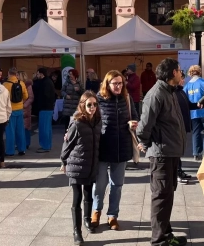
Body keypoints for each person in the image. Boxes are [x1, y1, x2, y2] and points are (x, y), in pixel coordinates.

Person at [137, 58, 188, 246]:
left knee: (167, 194)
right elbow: (144, 125)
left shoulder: (170, 91)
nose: (181, 74)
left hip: (171, 152)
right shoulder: (156, 93)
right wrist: (144, 142)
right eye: (179, 70)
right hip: (161, 153)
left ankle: (166, 234)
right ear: (173, 72)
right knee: (160, 196)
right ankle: (158, 241)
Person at [92, 70, 138, 231]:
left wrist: (134, 123)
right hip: (103, 148)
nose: (118, 86)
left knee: (117, 185)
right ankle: (96, 211)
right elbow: (85, 116)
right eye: (115, 83)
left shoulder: (126, 98)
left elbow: (135, 116)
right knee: (100, 184)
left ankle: (113, 215)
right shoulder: (98, 100)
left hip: (122, 147)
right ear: (107, 84)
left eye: (120, 83)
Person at [61, 91, 102, 245]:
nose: (92, 107)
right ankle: (76, 232)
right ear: (83, 105)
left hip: (91, 165)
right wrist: (63, 161)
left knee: (88, 195)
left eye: (95, 104)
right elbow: (68, 144)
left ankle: (87, 220)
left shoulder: (98, 121)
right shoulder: (77, 122)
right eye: (89, 104)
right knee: (77, 198)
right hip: (76, 166)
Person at [184, 65, 204, 161]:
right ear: (199, 72)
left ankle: (196, 153)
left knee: (196, 132)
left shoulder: (187, 86)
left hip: (193, 113)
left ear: (190, 73)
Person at [3, 67, 28, 156]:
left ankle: (10, 151)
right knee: (20, 130)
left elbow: (3, 98)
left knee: (10, 131)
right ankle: (22, 149)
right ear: (16, 74)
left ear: (9, 74)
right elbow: (25, 96)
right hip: (20, 109)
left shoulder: (5, 84)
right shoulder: (21, 83)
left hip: (9, 110)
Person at [33, 68, 56, 153]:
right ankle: (47, 145)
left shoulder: (44, 83)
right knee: (47, 128)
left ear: (41, 74)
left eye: (38, 73)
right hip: (48, 108)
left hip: (44, 108)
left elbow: (45, 96)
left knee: (44, 128)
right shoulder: (48, 81)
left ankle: (45, 146)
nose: (37, 75)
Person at [175, 75, 192, 184]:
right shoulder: (173, 94)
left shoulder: (181, 92)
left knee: (180, 151)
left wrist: (200, 104)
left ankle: (179, 171)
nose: (183, 80)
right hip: (177, 127)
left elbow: (188, 105)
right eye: (181, 78)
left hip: (184, 125)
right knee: (176, 151)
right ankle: (177, 173)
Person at [18, 71, 34, 150]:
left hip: (25, 108)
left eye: (18, 75)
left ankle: (26, 143)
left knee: (26, 127)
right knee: (20, 127)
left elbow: (31, 97)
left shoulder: (28, 85)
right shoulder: (17, 84)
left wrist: (24, 105)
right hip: (18, 107)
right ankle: (21, 143)